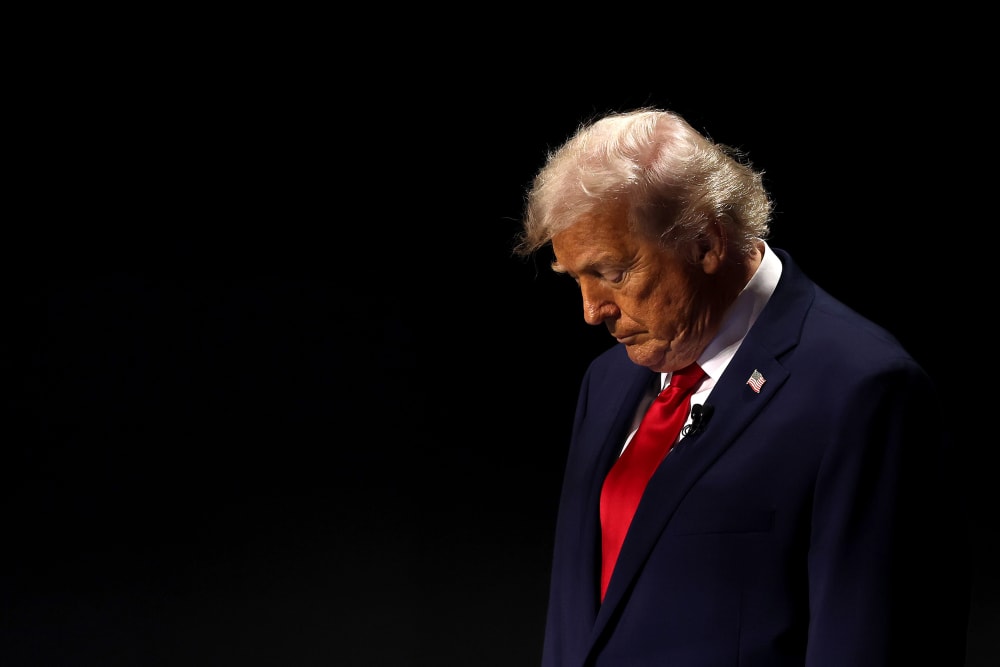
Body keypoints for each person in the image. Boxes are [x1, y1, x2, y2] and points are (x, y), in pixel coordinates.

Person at [514, 108, 970, 666]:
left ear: (706, 243)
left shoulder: (866, 394)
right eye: (576, 279)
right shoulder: (607, 381)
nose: (591, 312)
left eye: (613, 273)